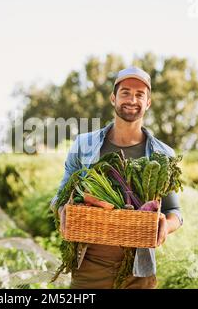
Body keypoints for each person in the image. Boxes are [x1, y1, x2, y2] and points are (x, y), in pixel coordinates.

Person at [50, 66, 183, 289]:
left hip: (139, 269)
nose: (132, 99)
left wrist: (165, 227)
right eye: (125, 92)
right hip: (89, 265)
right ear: (113, 98)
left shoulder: (163, 154)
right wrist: (62, 209)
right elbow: (60, 195)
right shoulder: (84, 145)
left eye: (140, 94)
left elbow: (175, 213)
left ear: (148, 102)